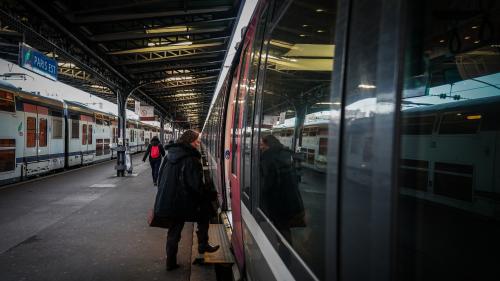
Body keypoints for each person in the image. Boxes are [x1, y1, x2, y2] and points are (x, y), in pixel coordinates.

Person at [156, 130, 219, 271]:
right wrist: (211, 195)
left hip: (169, 200)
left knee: (174, 231)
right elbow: (195, 185)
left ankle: (170, 263)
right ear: (190, 140)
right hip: (183, 201)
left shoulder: (169, 155)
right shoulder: (191, 158)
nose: (198, 143)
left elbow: (160, 177)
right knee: (205, 213)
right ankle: (203, 246)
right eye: (197, 140)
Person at [260, 134, 306, 243]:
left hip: (279, 202)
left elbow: (268, 184)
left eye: (262, 144)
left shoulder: (268, 158)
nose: (260, 147)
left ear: (268, 144)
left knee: (282, 230)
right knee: (284, 228)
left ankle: (284, 255)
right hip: (292, 199)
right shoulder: (286, 154)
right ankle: (284, 252)